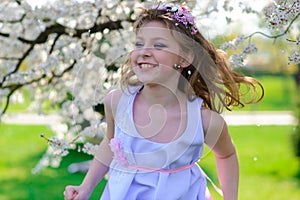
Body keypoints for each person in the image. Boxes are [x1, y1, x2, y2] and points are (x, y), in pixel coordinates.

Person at [64, 3, 264, 200]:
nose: (144, 51)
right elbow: (110, 144)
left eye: (158, 45)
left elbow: (226, 155)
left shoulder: (204, 121)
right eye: (139, 43)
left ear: (184, 58)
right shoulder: (117, 103)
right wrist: (86, 187)